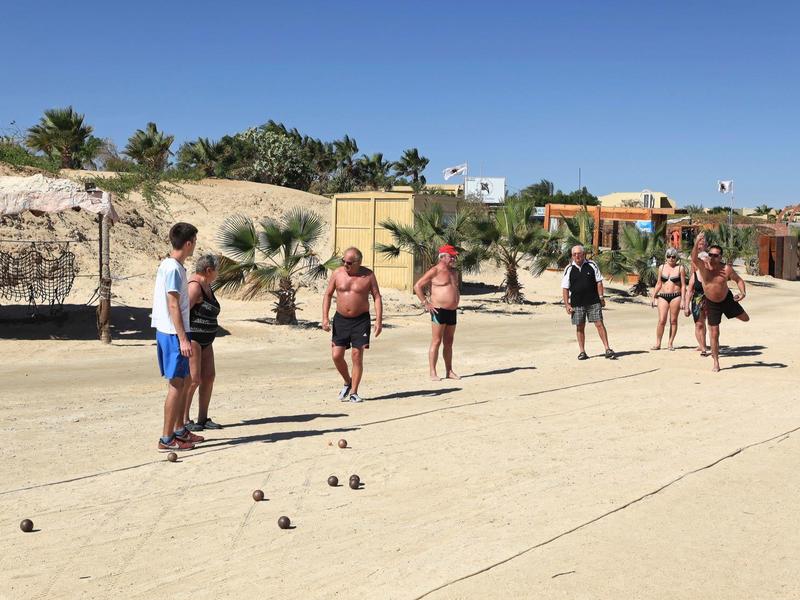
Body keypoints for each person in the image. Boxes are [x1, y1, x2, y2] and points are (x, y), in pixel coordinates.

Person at [151, 222, 204, 451]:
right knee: (176, 384)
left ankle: (180, 430)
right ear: (188, 242)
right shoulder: (172, 268)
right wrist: (183, 338)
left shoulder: (173, 266)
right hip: (173, 333)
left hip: (172, 331)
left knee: (182, 383)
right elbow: (173, 305)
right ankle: (166, 438)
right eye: (194, 241)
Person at [322, 247, 383, 402]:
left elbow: (376, 296)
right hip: (341, 319)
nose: (345, 264)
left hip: (360, 320)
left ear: (358, 262)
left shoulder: (368, 275)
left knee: (357, 356)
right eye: (343, 261)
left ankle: (354, 392)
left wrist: (379, 320)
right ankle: (347, 381)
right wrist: (325, 318)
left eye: (349, 262)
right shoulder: (337, 273)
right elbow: (328, 294)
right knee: (336, 355)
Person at [691, 233, 750, 372]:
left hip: (727, 300)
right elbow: (694, 257)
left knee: (746, 319)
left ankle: (730, 312)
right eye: (710, 254)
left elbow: (739, 280)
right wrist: (696, 243)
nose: (712, 257)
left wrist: (742, 293)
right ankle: (716, 362)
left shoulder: (726, 269)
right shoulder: (703, 267)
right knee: (714, 333)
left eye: (716, 255)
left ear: (720, 257)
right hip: (711, 303)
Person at [183, 254, 223, 432]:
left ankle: (203, 418)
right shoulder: (194, 287)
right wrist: (183, 339)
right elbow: (181, 313)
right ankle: (184, 419)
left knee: (209, 377)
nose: (218, 273)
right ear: (209, 270)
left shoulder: (208, 285)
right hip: (194, 339)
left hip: (207, 340)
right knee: (193, 380)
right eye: (217, 270)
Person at [414, 244, 461, 381]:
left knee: (449, 341)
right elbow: (417, 286)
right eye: (451, 256)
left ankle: (449, 371)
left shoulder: (454, 272)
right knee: (436, 341)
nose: (454, 258)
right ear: (443, 257)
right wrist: (425, 303)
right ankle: (432, 372)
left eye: (454, 256)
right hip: (438, 310)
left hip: (452, 310)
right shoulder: (435, 270)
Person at [561, 244, 615, 360]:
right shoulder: (568, 269)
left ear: (583, 254)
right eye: (574, 254)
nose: (577, 256)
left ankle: (607, 348)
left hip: (593, 301)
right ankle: (582, 352)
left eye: (579, 254)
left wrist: (601, 297)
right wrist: (567, 304)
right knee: (580, 327)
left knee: (599, 324)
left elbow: (599, 282)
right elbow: (565, 288)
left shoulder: (592, 265)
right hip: (577, 303)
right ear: (572, 256)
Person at [649, 247, 686, 351]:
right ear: (666, 257)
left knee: (673, 320)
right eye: (669, 256)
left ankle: (670, 343)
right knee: (661, 320)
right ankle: (658, 343)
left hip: (676, 296)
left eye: (673, 257)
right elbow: (659, 283)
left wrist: (683, 300)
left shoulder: (680, 268)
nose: (671, 259)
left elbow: (683, 285)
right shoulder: (661, 267)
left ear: (676, 258)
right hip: (663, 296)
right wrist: (653, 296)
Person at [685, 263, 709, 356]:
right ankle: (703, 348)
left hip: (710, 301)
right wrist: (686, 306)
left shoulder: (712, 274)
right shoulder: (694, 275)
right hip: (697, 301)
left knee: (709, 324)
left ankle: (704, 344)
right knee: (699, 324)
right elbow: (689, 291)